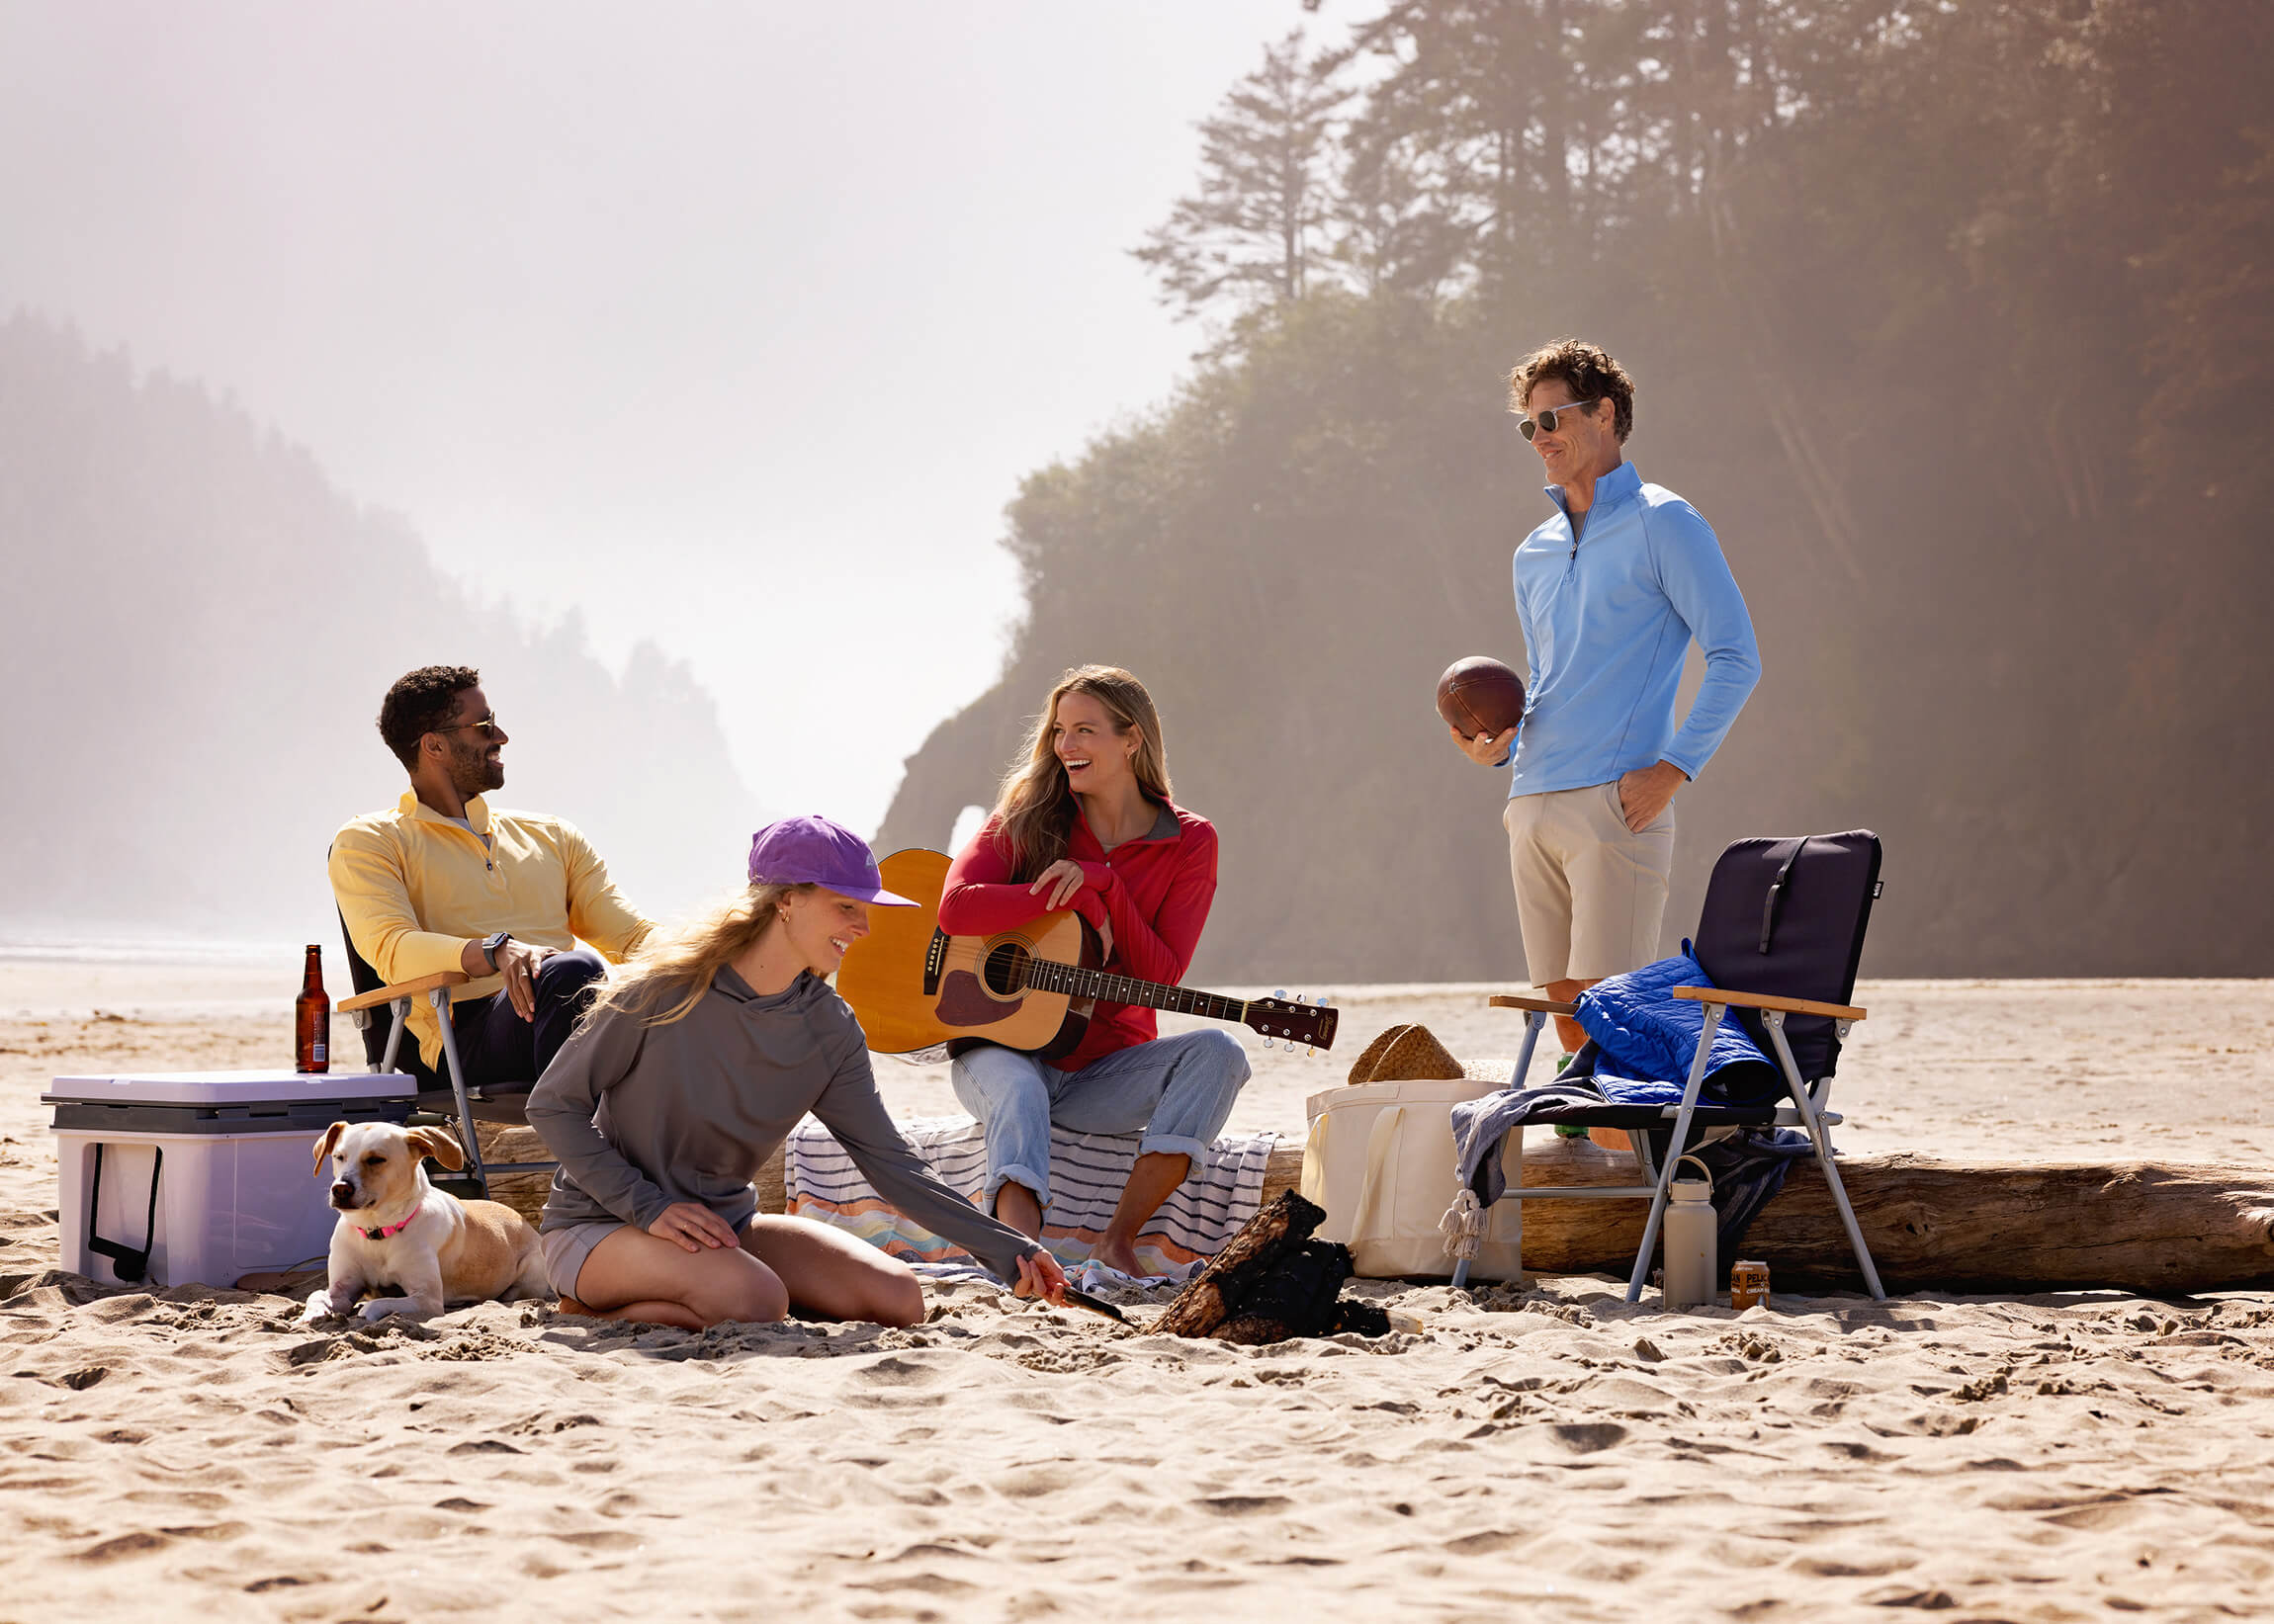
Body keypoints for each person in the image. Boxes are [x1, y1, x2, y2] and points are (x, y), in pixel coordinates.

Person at [524, 816, 1068, 1328]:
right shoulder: (661, 993)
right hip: (604, 1226)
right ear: (786, 900)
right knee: (755, 1299)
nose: (863, 927)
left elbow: (892, 1164)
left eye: (865, 909)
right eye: (846, 907)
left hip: (724, 1229)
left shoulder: (830, 1028)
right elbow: (552, 1104)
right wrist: (648, 1207)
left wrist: (1011, 1250)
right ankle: (591, 1310)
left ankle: (706, 1290)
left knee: (899, 1298)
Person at [1452, 339, 1762, 1079]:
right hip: (1530, 800)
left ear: (1605, 414)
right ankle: (1593, 1147)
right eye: (1528, 426)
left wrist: (1674, 769)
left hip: (1616, 804)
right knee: (1568, 1022)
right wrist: (1497, 746)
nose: (1540, 438)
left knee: (1615, 1021)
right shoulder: (1531, 552)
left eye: (1552, 418)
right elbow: (1545, 678)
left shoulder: (1667, 522)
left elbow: (1736, 657)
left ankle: (1641, 1154)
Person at [939, 665, 1250, 1279]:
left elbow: (1160, 977)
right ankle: (1021, 1256)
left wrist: (1105, 885)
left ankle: (1117, 1241)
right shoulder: (1029, 815)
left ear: (1132, 738)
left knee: (1221, 1053)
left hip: (1104, 1074)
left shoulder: (1190, 841)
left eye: (1085, 730)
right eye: (1059, 731)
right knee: (1021, 1089)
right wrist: (1064, 897)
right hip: (1002, 1051)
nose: (1066, 746)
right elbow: (956, 907)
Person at [331, 665, 654, 1086]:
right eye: (484, 726)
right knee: (574, 973)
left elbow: (632, 938)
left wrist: (717, 952)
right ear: (434, 745)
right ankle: (573, 1120)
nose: (501, 737)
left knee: (682, 994)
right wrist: (495, 950)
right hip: (467, 1033)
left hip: (572, 1004)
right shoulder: (371, 839)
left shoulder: (553, 835)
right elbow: (393, 949)